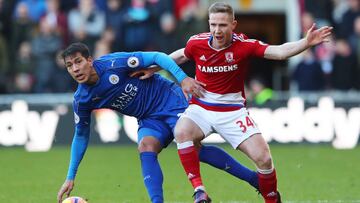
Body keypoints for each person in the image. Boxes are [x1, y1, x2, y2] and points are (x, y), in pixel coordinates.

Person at [137, 2, 332, 203]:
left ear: (233, 25)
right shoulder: (197, 43)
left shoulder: (244, 45)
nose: (217, 30)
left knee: (263, 159)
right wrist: (153, 68)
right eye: (213, 25)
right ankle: (199, 191)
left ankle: (272, 199)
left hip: (232, 110)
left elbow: (279, 51)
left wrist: (305, 43)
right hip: (201, 107)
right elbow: (179, 56)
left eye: (222, 25)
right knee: (181, 132)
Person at [57, 42, 264, 203]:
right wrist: (70, 176)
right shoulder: (82, 99)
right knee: (145, 146)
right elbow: (81, 135)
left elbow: (158, 57)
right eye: (69, 66)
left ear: (90, 60)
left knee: (194, 149)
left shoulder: (114, 64)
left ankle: (254, 179)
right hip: (148, 118)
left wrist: (182, 79)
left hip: (170, 101)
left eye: (78, 62)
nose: (75, 69)